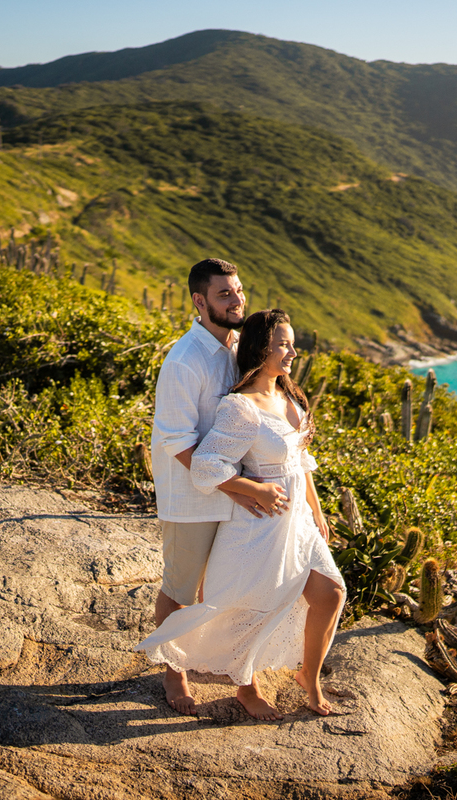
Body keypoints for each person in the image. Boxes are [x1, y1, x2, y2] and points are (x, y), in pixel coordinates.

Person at [138, 309, 346, 719]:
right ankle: (245, 688)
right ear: (261, 348)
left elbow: (301, 459)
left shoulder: (288, 395)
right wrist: (253, 488)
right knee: (251, 605)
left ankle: (309, 675)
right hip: (261, 523)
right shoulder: (241, 407)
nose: (292, 352)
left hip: (299, 521)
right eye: (283, 345)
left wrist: (316, 510)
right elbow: (206, 465)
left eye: (292, 344)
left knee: (330, 593)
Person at [149, 257, 265, 715]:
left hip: (236, 491)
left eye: (238, 290)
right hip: (192, 498)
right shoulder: (184, 361)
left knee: (230, 588)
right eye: (224, 294)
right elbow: (177, 441)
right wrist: (235, 487)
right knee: (180, 589)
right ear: (200, 301)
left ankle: (235, 673)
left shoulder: (242, 348)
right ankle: (173, 672)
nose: (237, 300)